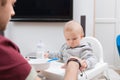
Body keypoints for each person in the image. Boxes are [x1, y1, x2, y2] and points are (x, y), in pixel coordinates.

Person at [0, 0, 81, 80]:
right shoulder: (4, 51)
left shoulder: (84, 48)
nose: (13, 12)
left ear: (81, 37)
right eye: (12, 4)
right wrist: (73, 64)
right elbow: (58, 55)